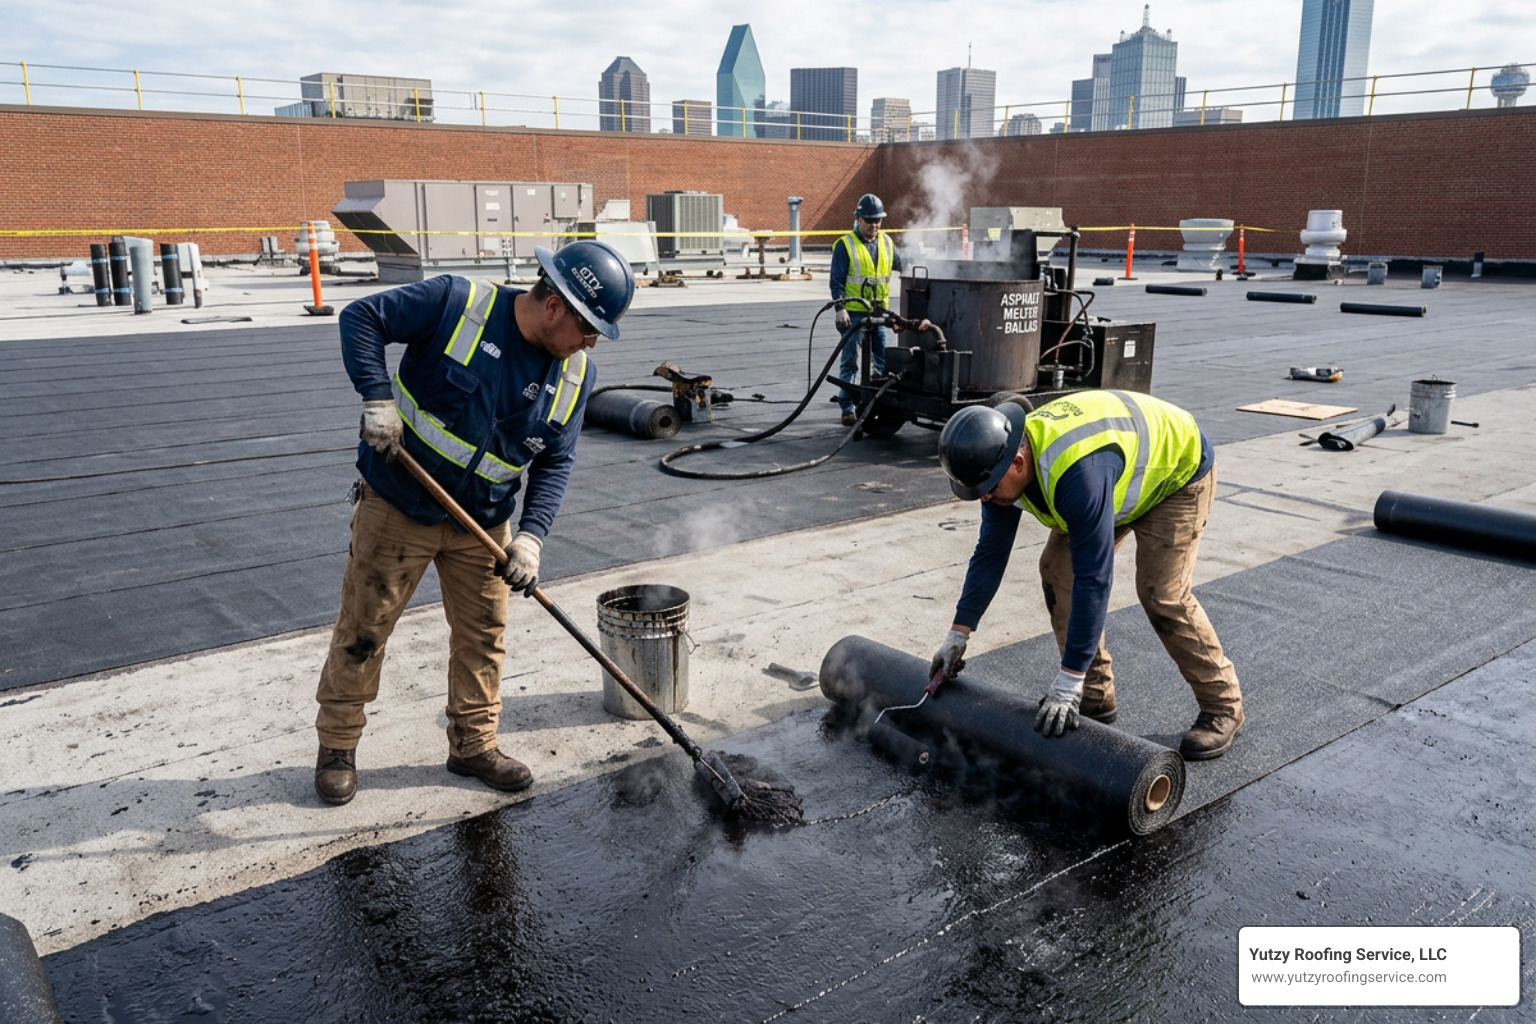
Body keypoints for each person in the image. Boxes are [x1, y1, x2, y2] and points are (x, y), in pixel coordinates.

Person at [313, 240, 635, 805]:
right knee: (365, 630)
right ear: (555, 306)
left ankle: (473, 744)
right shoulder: (457, 303)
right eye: (588, 328)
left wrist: (530, 538)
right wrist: (376, 397)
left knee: (484, 638)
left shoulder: (576, 374)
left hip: (483, 527)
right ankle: (338, 746)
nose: (589, 342)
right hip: (398, 506)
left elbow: (556, 461)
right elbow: (361, 317)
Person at [930, 390, 1244, 760]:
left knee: (1162, 594)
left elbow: (1095, 578)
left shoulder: (1076, 475)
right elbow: (990, 553)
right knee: (1057, 571)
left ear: (1017, 462)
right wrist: (958, 633)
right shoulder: (1000, 467)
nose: (985, 498)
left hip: (1175, 473)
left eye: (988, 489)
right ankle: (1094, 693)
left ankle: (1223, 706)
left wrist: (1066, 681)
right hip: (1117, 475)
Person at [829, 193, 910, 427]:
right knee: (851, 360)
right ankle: (847, 406)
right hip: (853, 314)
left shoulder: (886, 242)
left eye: (878, 220)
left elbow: (902, 263)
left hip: (878, 313)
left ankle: (878, 402)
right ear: (858, 219)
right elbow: (836, 280)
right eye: (870, 220)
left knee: (882, 359)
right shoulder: (845, 245)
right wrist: (840, 308)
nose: (874, 225)